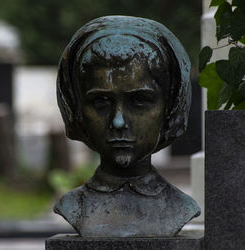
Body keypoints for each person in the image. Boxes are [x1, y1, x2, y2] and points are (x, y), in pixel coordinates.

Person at [54, 16, 200, 237]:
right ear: (77, 109)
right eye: (101, 101)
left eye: (139, 100)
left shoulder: (182, 207)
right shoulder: (73, 206)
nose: (118, 122)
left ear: (169, 107)